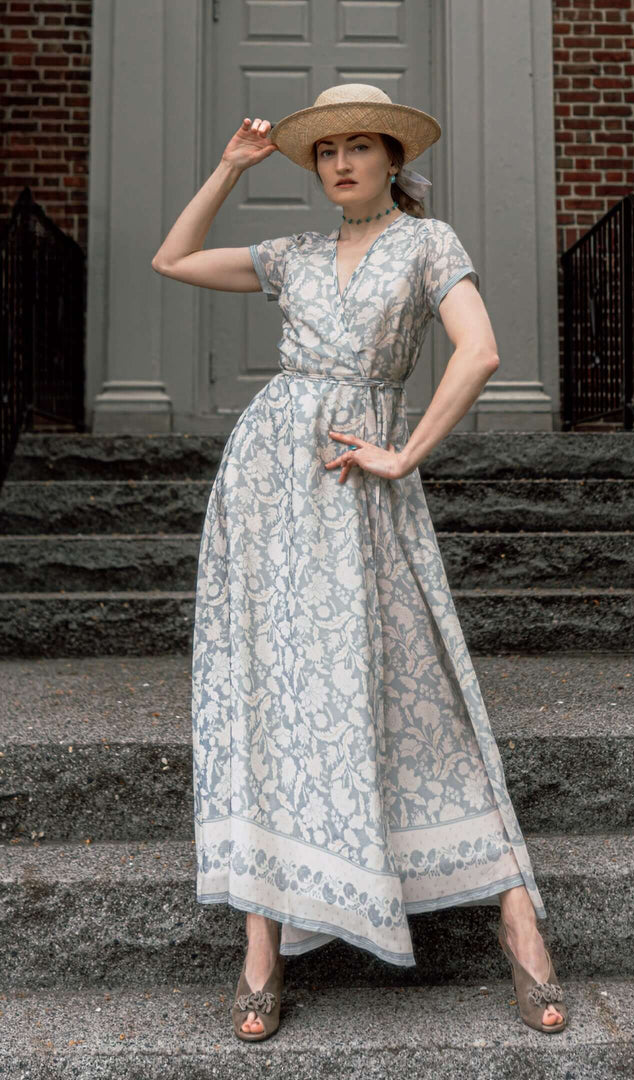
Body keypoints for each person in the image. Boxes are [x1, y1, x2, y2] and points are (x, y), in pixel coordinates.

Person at [151, 83, 568, 1042]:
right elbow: (171, 257)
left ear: (391, 159)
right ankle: (261, 949)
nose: (339, 162)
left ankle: (518, 920)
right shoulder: (290, 255)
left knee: (415, 679)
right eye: (324, 150)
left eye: (358, 147)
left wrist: (406, 450)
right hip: (266, 486)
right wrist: (230, 168)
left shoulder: (430, 243)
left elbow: (481, 351)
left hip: (361, 484)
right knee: (275, 693)